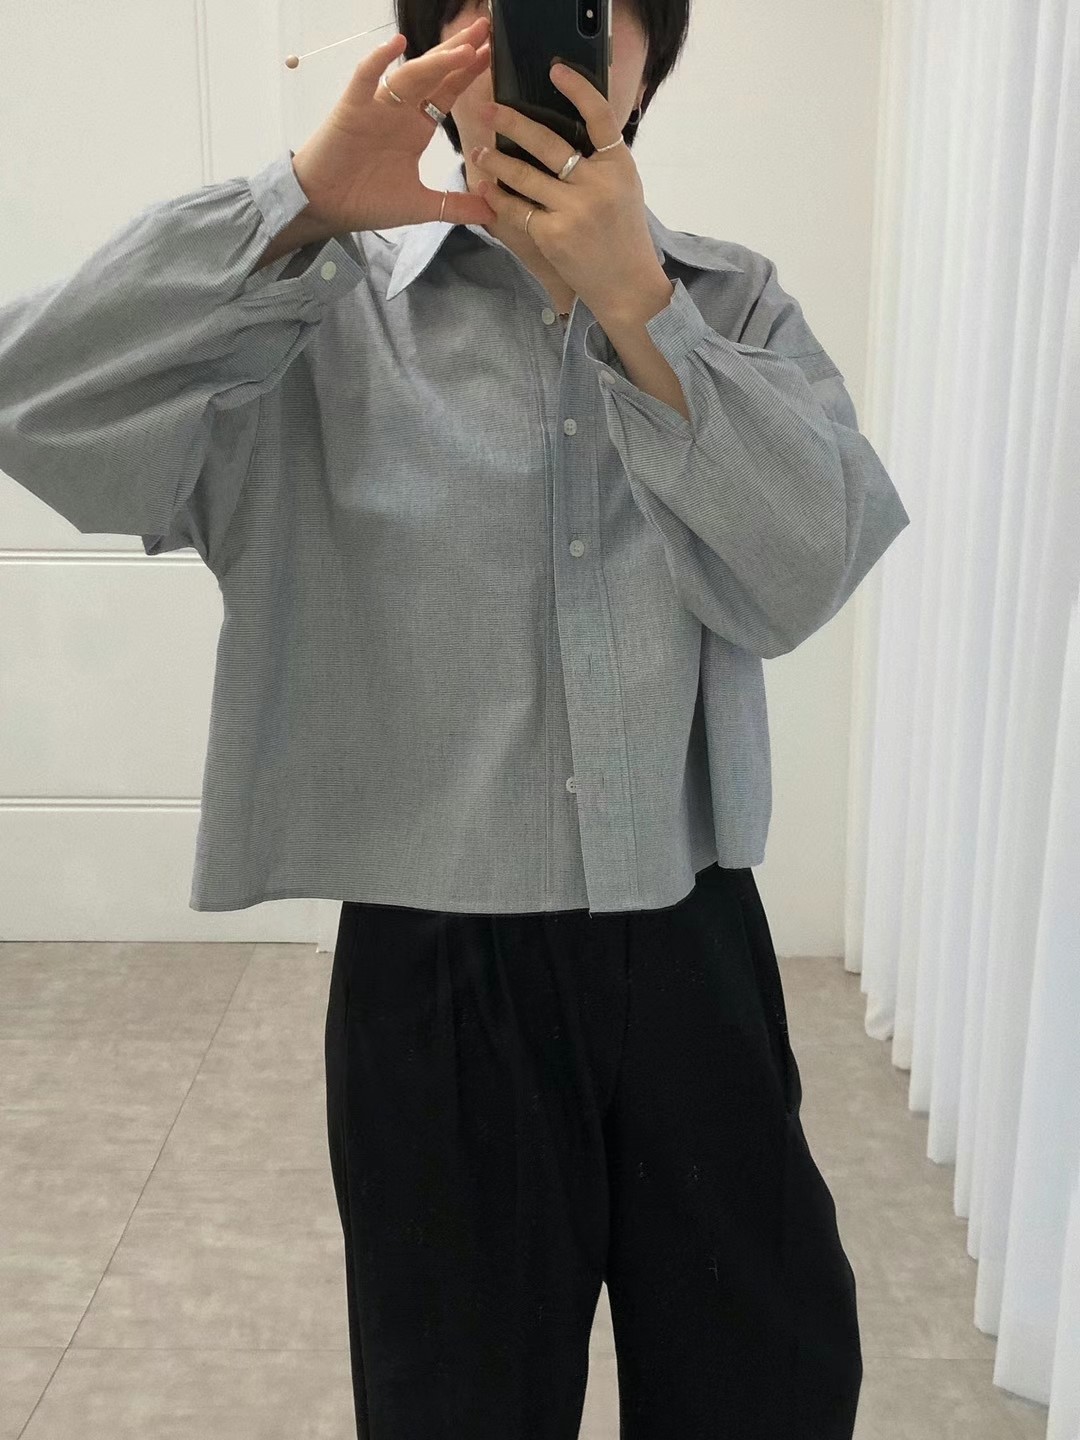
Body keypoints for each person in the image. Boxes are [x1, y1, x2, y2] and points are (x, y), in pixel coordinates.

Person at [0, 1, 911, 1435]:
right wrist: (297, 202)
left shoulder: (728, 303)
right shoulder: (310, 315)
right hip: (434, 978)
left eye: (584, 13)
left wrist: (642, 309)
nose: (539, 43)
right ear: (436, 48)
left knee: (768, 1378)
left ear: (646, 63)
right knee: (459, 1405)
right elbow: (32, 398)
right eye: (494, 9)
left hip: (693, 944)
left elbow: (808, 570)